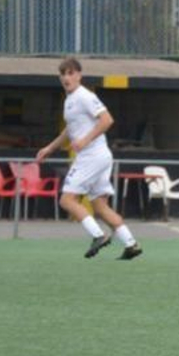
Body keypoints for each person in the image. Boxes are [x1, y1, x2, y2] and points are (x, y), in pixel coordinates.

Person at [36, 57, 142, 260]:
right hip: (98, 157)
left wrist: (84, 141)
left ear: (79, 75)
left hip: (92, 156)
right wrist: (49, 148)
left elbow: (107, 120)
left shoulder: (84, 95)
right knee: (100, 207)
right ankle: (131, 244)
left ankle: (98, 235)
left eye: (70, 73)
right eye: (63, 74)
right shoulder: (70, 100)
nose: (66, 77)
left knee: (66, 200)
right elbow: (70, 130)